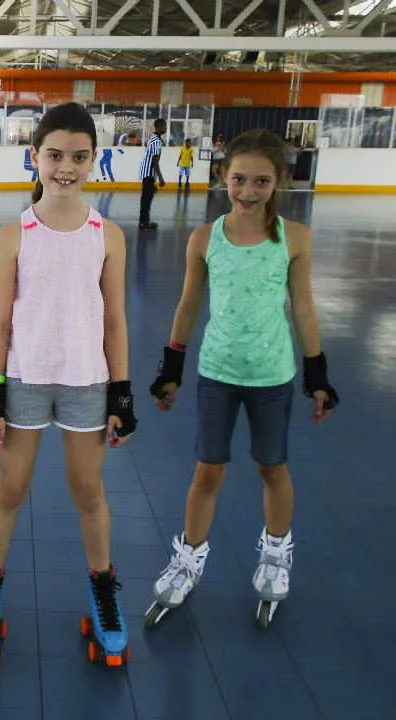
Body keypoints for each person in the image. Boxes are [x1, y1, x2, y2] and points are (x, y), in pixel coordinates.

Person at [0, 103, 137, 667]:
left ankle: (103, 590)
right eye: (55, 155)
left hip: (87, 383)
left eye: (79, 157)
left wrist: (121, 393)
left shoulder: (107, 235)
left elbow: (115, 321)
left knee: (89, 494)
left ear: (94, 161)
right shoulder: (13, 236)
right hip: (25, 382)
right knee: (9, 492)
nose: (66, 167)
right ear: (34, 156)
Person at [145, 129, 339, 630]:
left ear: (278, 182)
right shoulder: (204, 238)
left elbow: (303, 306)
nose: (248, 191)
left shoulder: (294, 238)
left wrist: (317, 373)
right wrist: (171, 370)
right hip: (218, 373)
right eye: (238, 179)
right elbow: (188, 305)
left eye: (261, 181)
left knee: (271, 467)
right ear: (222, 177)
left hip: (272, 375)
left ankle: (276, 554)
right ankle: (187, 560)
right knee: (207, 471)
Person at [137, 118, 166, 230]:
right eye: (164, 126)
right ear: (159, 127)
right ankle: (143, 222)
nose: (166, 128)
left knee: (147, 197)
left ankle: (144, 221)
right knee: (146, 198)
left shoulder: (154, 139)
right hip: (149, 173)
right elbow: (155, 161)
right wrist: (161, 178)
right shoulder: (156, 141)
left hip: (148, 173)